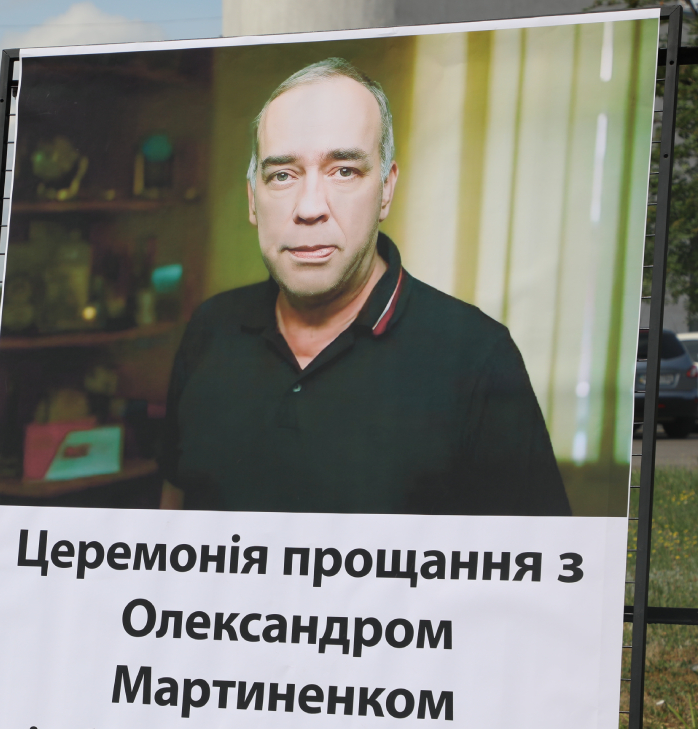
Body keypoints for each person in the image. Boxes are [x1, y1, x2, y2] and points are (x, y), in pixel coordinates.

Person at [158, 57, 571, 516]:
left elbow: (538, 556)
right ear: (253, 199)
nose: (310, 208)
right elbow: (172, 509)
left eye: (344, 171)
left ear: (386, 190)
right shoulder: (210, 329)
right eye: (282, 175)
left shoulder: (478, 358)